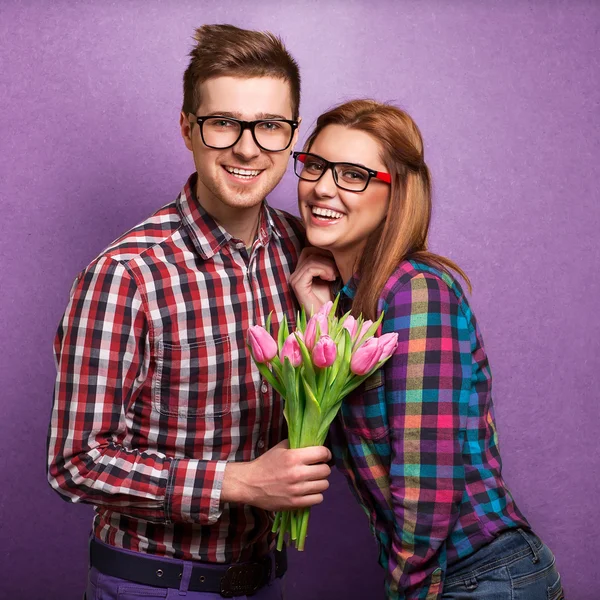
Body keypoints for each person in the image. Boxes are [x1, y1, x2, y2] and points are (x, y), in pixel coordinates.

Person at [47, 24, 332, 600]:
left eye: (270, 126)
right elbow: (76, 463)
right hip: (155, 584)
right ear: (187, 129)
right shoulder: (126, 274)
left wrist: (321, 322)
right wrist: (239, 483)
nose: (248, 148)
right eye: (223, 122)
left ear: (292, 135)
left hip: (265, 581)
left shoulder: (302, 252)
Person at [289, 99, 564, 599]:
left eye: (353, 174)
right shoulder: (352, 306)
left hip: (480, 577)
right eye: (315, 165)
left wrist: (407, 588)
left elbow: (427, 484)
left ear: (395, 198)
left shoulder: (416, 292)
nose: (323, 187)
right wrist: (321, 319)